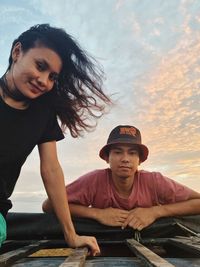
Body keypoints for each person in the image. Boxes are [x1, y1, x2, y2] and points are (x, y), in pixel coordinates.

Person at [0, 23, 111, 254]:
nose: (44, 80)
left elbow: (51, 169)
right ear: (17, 52)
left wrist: (71, 235)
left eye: (52, 77)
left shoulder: (43, 114)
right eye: (40, 66)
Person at [43, 125, 200, 231]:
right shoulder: (94, 180)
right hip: (102, 251)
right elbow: (49, 205)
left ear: (140, 160)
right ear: (107, 158)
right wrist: (98, 214)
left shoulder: (153, 181)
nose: (125, 159)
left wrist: (155, 211)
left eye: (132, 153)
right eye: (118, 152)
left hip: (150, 247)